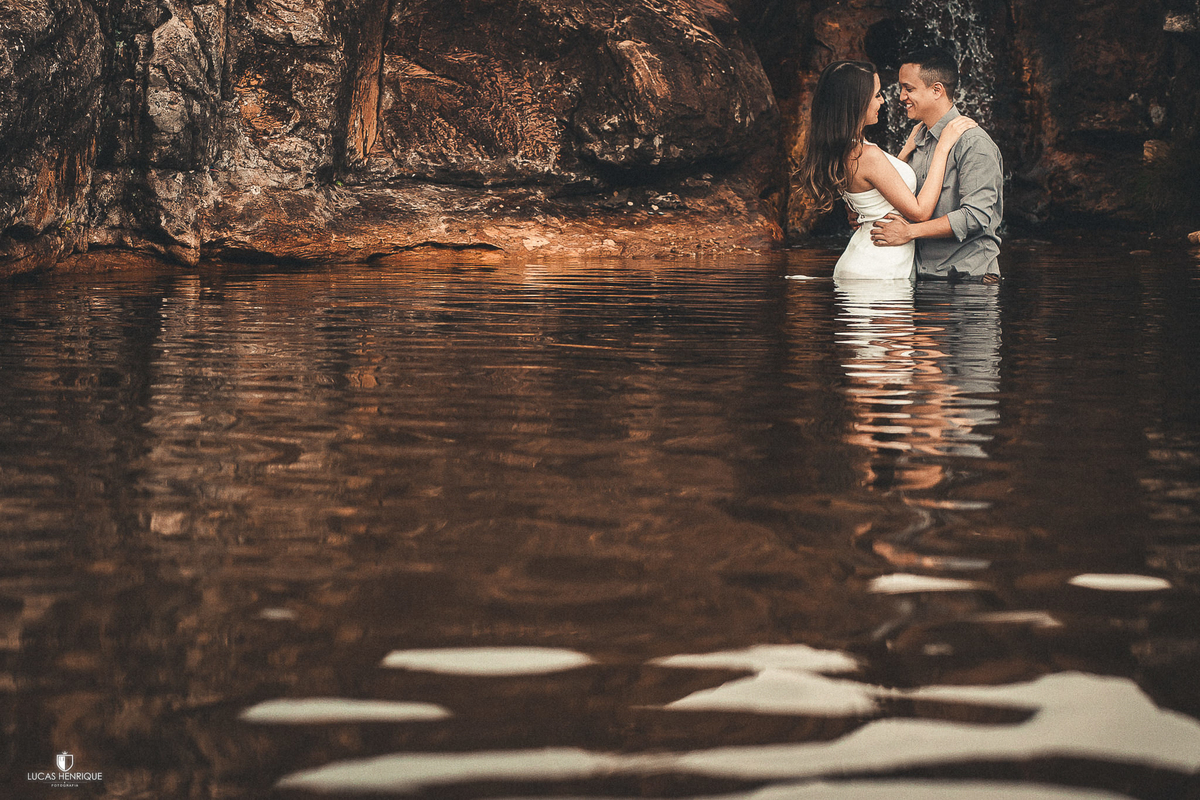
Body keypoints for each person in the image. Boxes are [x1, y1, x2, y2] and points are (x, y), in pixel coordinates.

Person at [797, 60, 976, 281]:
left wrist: (905, 151)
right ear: (857, 102)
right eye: (877, 95)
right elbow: (920, 212)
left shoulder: (847, 149)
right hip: (877, 266)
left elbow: (882, 188)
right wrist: (943, 147)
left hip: (868, 259)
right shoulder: (867, 155)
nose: (883, 101)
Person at [870, 46, 1004, 283]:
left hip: (969, 280)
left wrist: (909, 232)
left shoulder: (973, 143)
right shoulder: (918, 138)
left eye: (909, 89)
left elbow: (976, 216)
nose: (901, 97)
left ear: (937, 90)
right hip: (922, 277)